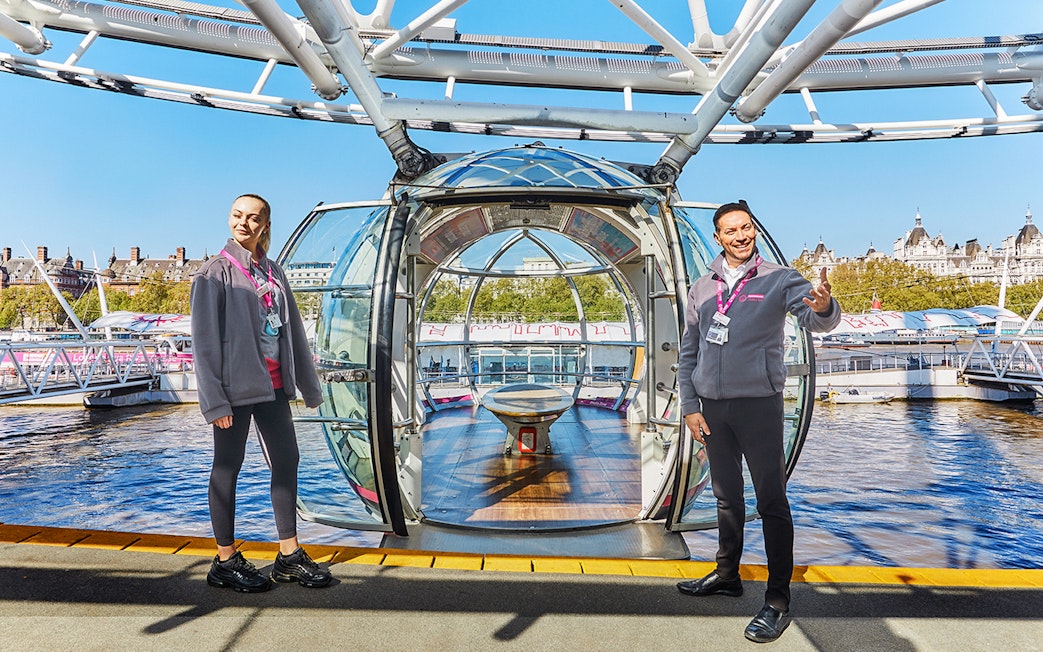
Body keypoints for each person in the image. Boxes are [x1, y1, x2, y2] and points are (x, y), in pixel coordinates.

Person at [675, 201, 840, 643]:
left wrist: (826, 307)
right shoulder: (701, 288)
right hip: (712, 409)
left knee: (771, 502)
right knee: (726, 498)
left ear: (755, 231)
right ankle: (727, 575)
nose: (740, 236)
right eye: (731, 231)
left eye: (745, 227)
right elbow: (689, 351)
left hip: (759, 406)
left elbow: (815, 318)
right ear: (718, 237)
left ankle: (778, 601)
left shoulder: (779, 278)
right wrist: (690, 405)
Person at [191, 193, 331, 592]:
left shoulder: (274, 271)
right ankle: (225, 560)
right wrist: (215, 401)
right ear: (229, 218)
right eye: (237, 215)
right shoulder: (213, 273)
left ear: (265, 225)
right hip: (234, 391)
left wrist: (306, 385)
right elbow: (203, 344)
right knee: (227, 468)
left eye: (253, 218)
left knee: (287, 460)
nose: (244, 223)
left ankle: (289, 555)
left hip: (273, 386)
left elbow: (293, 331)